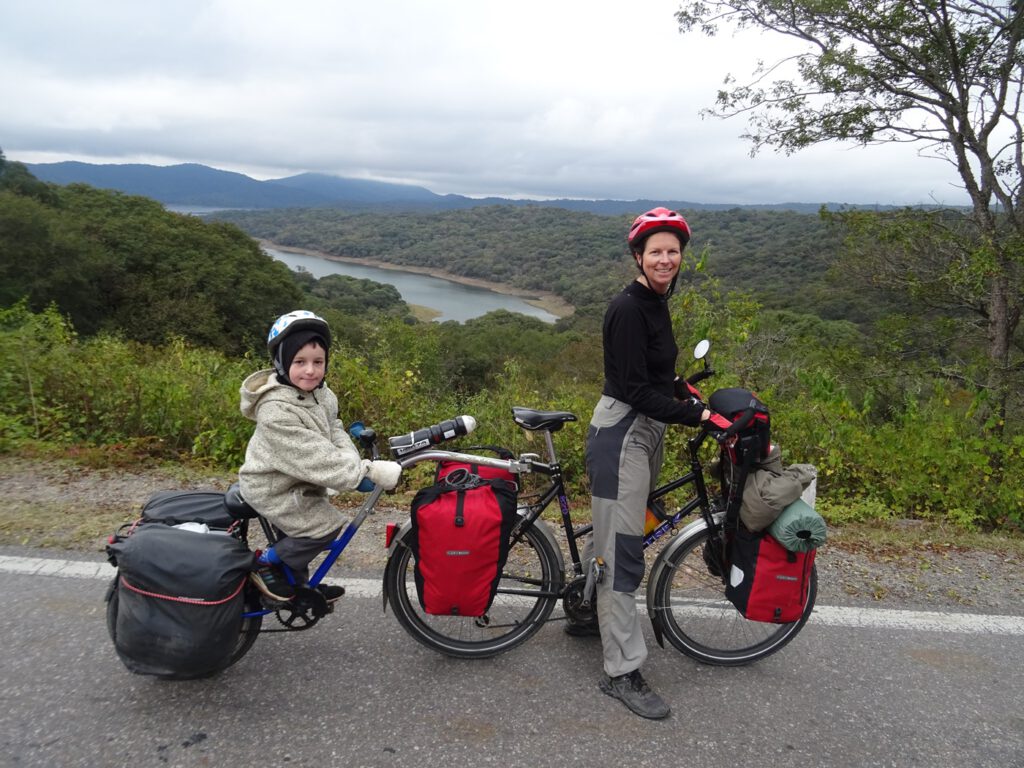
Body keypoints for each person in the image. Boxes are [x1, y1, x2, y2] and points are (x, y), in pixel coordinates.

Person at [579, 207, 710, 720]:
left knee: (617, 534)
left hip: (644, 428)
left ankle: (585, 608)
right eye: (655, 251)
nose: (665, 258)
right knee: (622, 551)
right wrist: (691, 415)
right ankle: (621, 671)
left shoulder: (658, 301)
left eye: (672, 251)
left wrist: (685, 391)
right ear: (639, 256)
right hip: (624, 432)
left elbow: (656, 372)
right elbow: (632, 387)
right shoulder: (629, 308)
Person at [239, 310, 403, 604]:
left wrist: (355, 467)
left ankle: (296, 589)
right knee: (322, 528)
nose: (311, 371)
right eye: (299, 362)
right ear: (281, 362)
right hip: (272, 487)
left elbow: (334, 429)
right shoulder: (275, 410)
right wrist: (364, 473)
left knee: (299, 534)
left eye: (318, 362)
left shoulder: (321, 394)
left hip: (297, 481)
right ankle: (263, 563)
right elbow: (314, 456)